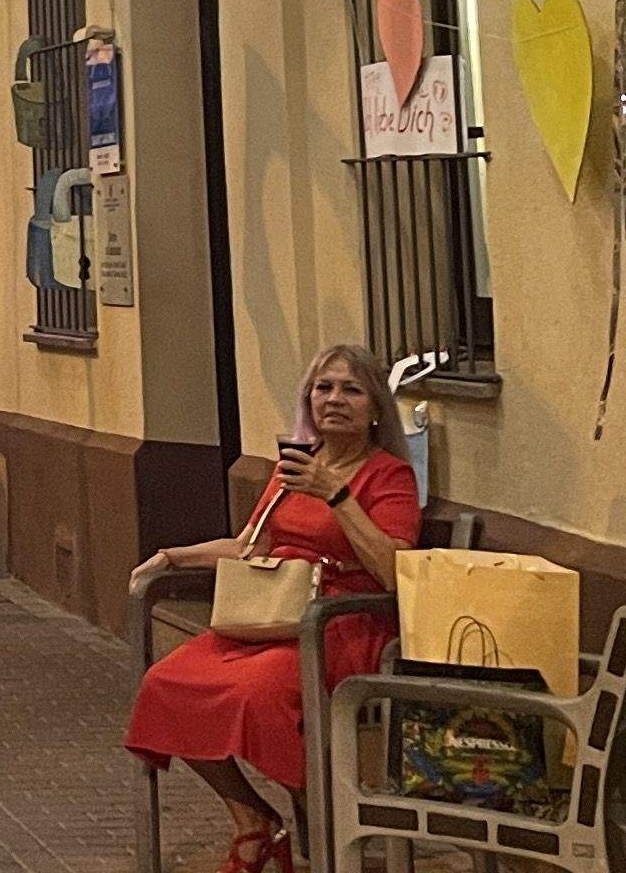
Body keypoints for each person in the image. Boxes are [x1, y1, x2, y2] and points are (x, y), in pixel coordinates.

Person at [126, 343, 424, 872]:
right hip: (273, 613)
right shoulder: (295, 468)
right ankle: (253, 821)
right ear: (308, 400)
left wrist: (339, 498)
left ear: (376, 407)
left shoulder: (389, 476)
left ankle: (322, 827)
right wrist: (171, 557)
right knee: (168, 684)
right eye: (323, 387)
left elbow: (394, 569)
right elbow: (250, 546)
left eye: (352, 390)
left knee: (259, 695)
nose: (334, 399)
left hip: (341, 621)